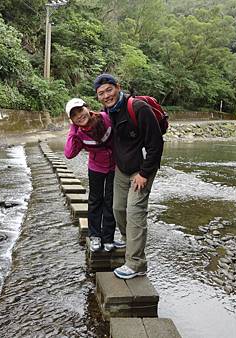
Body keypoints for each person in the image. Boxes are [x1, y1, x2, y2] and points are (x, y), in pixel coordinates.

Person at [93, 74, 164, 279]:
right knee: (117, 209)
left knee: (135, 213)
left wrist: (144, 174)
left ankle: (136, 263)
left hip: (141, 170)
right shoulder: (107, 112)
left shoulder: (139, 109)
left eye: (109, 90)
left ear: (118, 87)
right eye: (101, 93)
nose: (106, 95)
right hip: (122, 169)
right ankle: (127, 238)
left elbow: (156, 144)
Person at [64, 98, 116, 252]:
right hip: (96, 167)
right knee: (95, 201)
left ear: (87, 108)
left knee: (110, 201)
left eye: (80, 110)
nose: (79, 116)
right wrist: (73, 130)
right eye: (74, 115)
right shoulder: (79, 133)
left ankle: (108, 238)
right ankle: (95, 236)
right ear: (72, 120)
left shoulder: (104, 118)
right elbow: (68, 154)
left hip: (115, 166)